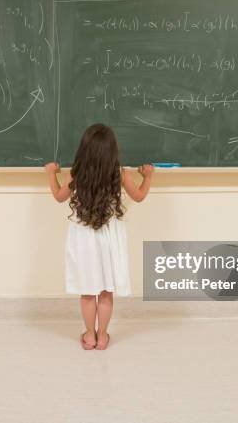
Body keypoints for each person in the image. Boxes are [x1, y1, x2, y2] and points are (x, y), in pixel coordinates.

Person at [44, 123, 154, 350]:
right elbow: (140, 196)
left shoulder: (77, 173)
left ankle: (89, 335)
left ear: (84, 150)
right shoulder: (119, 173)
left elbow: (58, 196)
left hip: (83, 237)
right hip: (109, 236)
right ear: (113, 150)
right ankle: (102, 335)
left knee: (88, 289)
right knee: (105, 290)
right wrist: (148, 176)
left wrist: (50, 174)